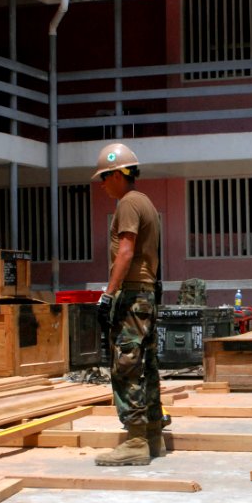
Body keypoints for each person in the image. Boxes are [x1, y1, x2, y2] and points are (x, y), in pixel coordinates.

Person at [91, 142, 165, 466]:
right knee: (146, 365)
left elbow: (126, 251)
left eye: (104, 178)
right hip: (145, 295)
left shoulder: (129, 204)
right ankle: (152, 436)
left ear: (118, 174)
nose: (102, 184)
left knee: (126, 366)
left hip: (133, 295)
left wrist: (108, 294)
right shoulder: (145, 201)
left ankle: (135, 441)